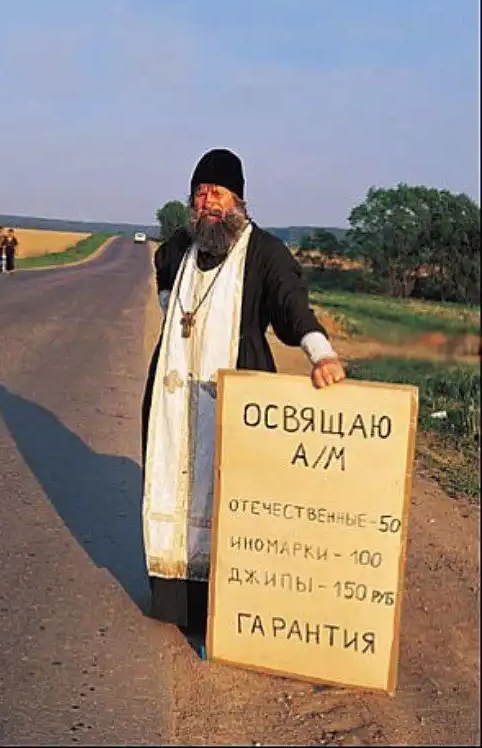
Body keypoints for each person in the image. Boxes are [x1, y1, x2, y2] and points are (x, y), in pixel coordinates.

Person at [141, 148, 346, 641]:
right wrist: (171, 309)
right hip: (175, 393)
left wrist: (321, 354)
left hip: (239, 389)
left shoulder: (265, 252)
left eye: (218, 192)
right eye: (200, 192)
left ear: (238, 200)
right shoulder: (181, 246)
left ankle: (231, 606)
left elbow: (292, 305)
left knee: (235, 494)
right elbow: (163, 268)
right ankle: (176, 598)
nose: (207, 202)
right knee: (173, 480)